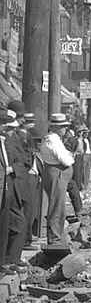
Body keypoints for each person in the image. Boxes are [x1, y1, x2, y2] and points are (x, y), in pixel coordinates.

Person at [38, 113, 75, 247]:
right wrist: (71, 158)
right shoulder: (53, 140)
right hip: (57, 173)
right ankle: (54, 237)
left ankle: (56, 235)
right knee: (57, 206)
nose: (65, 129)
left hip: (57, 173)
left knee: (59, 206)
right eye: (63, 126)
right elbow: (66, 160)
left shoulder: (54, 139)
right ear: (55, 127)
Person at [0, 110, 31, 269]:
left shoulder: (11, 140)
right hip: (8, 187)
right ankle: (8, 260)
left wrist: (13, 168)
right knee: (15, 224)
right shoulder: (7, 142)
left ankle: (10, 259)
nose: (9, 130)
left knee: (13, 224)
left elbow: (24, 161)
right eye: (7, 127)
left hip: (13, 187)